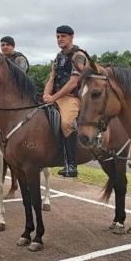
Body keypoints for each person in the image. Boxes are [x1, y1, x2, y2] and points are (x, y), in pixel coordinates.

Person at [43, 25, 89, 177]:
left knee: (66, 123)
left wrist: (53, 98)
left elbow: (73, 83)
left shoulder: (78, 55)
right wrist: (46, 95)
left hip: (72, 97)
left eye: (63, 36)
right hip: (55, 96)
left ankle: (71, 164)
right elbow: (51, 78)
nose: (59, 39)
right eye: (57, 36)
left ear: (71, 37)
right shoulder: (58, 57)